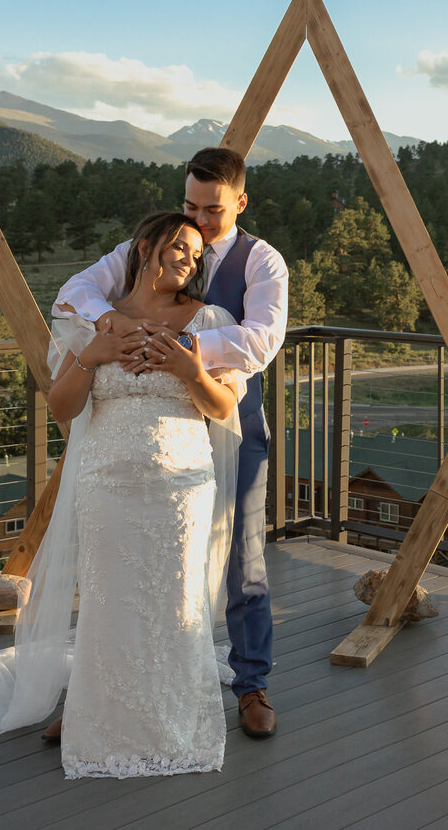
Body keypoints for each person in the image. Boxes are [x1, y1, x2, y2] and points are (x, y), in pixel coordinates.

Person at [0, 212, 244, 778]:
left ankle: (173, 723)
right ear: (145, 248)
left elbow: (223, 409)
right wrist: (91, 360)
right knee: (108, 601)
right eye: (178, 246)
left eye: (196, 254)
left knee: (174, 602)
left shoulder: (210, 321)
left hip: (181, 490)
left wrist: (193, 370)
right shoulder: (96, 321)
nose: (188, 260)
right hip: (107, 485)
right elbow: (63, 408)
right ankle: (98, 719)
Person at [52, 146, 288, 739]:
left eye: (212, 209)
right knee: (116, 570)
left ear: (240, 202)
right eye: (190, 205)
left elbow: (260, 341)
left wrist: (178, 352)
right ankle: (94, 696)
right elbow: (77, 293)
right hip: (127, 439)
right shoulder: (163, 242)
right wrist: (115, 327)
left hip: (226, 410)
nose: (200, 221)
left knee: (242, 556)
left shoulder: (263, 262)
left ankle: (251, 683)